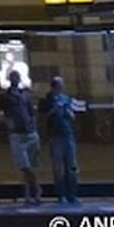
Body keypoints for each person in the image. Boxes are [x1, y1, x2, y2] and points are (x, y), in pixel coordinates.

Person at [0, 69, 41, 204]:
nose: (15, 79)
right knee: (24, 165)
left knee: (29, 166)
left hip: (29, 132)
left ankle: (29, 195)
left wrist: (34, 128)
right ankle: (36, 189)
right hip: (17, 134)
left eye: (17, 77)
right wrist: (6, 121)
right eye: (13, 77)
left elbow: (32, 113)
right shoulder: (5, 96)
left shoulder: (24, 95)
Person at [38, 75, 81, 205]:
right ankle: (61, 194)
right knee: (58, 168)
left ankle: (72, 194)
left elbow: (72, 115)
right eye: (60, 85)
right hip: (55, 135)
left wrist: (69, 113)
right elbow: (42, 117)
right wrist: (53, 110)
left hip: (67, 134)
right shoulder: (46, 100)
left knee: (71, 166)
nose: (62, 88)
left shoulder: (66, 99)